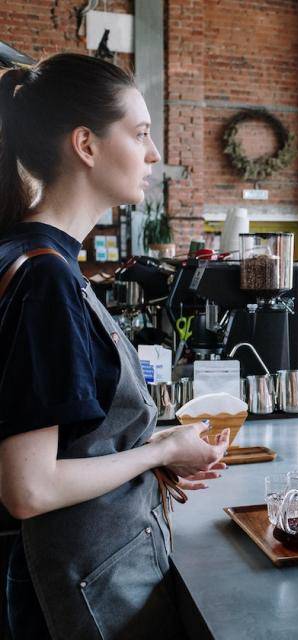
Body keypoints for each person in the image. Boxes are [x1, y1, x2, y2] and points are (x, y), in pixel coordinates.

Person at [0, 54, 230, 639]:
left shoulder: (34, 258)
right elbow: (29, 488)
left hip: (90, 573)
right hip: (81, 592)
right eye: (141, 133)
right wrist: (155, 455)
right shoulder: (46, 278)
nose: (154, 154)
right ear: (86, 144)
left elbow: (69, 439)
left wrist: (156, 446)